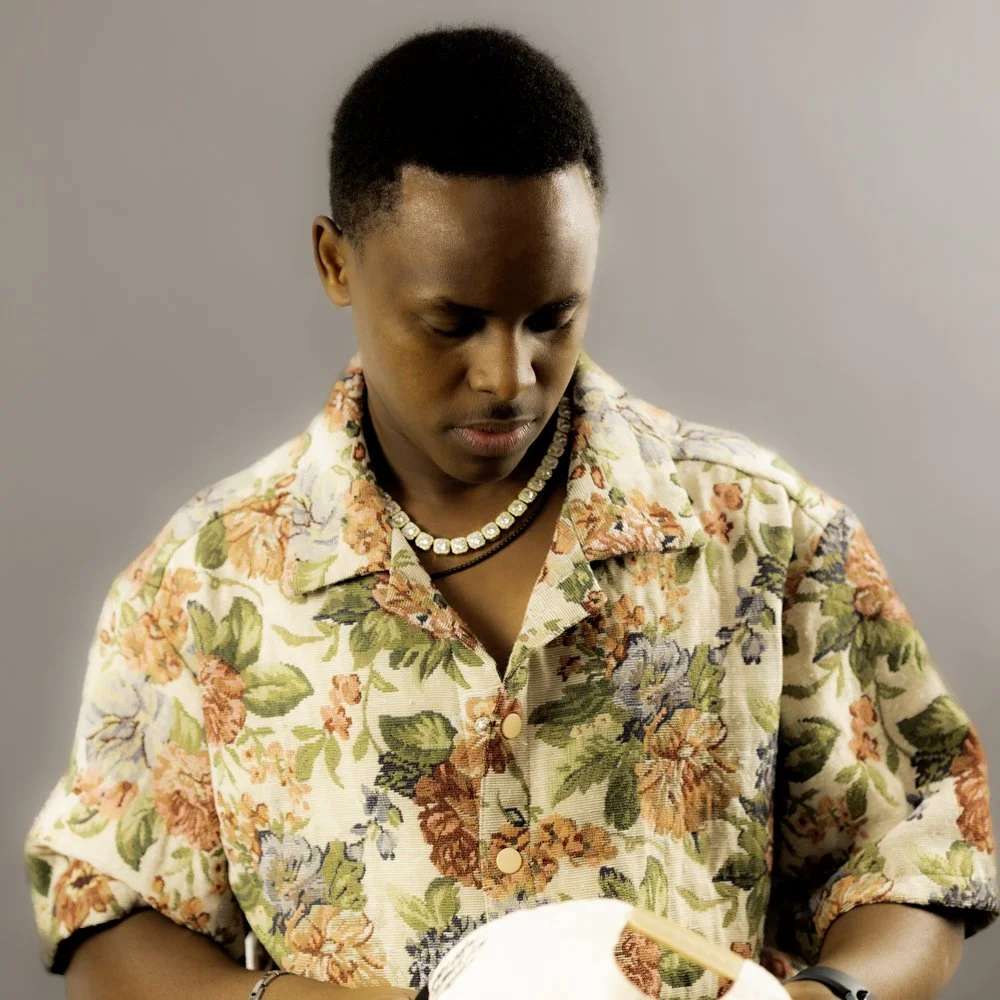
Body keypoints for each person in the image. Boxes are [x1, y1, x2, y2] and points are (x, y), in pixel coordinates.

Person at [23, 22, 998, 1000]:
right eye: (452, 323)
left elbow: (916, 841)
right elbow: (110, 912)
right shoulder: (199, 581)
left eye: (551, 317)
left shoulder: (761, 528)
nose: (508, 374)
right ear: (334, 263)